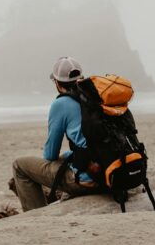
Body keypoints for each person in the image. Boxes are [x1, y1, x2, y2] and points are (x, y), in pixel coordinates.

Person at [12, 56, 100, 211]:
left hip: (89, 180)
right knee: (66, 157)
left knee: (20, 166)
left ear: (58, 84)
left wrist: (57, 159)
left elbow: (50, 155)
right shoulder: (96, 97)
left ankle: (36, 215)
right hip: (112, 172)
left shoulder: (61, 104)